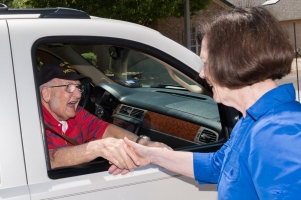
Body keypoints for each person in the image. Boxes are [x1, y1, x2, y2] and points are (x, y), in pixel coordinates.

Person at [116, 6, 301, 199]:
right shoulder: (252, 119)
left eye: (205, 63)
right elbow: (218, 166)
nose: (202, 74)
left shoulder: (279, 134)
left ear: (233, 62)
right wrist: (151, 155)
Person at [39, 60, 168, 170]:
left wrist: (143, 144)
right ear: (47, 94)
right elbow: (48, 159)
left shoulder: (76, 113)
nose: (78, 95)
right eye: (69, 87)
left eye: (78, 88)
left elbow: (105, 129)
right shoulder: (31, 122)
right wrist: (97, 148)